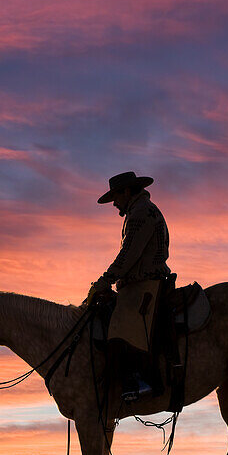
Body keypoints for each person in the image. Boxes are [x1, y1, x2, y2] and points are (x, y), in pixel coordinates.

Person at [86, 171, 172, 401]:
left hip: (143, 284)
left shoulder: (141, 213)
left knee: (120, 328)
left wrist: (105, 280)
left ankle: (141, 382)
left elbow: (129, 254)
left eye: (115, 197)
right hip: (139, 282)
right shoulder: (140, 210)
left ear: (126, 191)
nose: (114, 203)